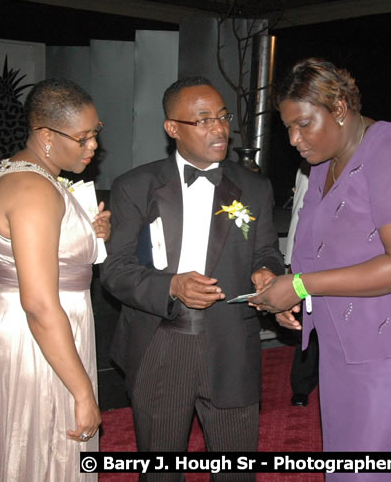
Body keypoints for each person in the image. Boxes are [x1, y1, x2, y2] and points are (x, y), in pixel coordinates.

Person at [252, 58, 391, 480]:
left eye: (303, 124)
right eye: (288, 128)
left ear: (339, 108)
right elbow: (320, 245)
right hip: (346, 344)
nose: (294, 139)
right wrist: (287, 290)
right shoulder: (321, 163)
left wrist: (299, 285)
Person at [101, 76, 284, 480]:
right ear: (172, 128)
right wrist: (171, 286)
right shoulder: (135, 186)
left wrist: (266, 270)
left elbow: (268, 250)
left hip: (231, 340)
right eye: (203, 120)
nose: (219, 129)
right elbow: (115, 271)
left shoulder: (253, 187)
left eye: (223, 117)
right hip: (159, 344)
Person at [0, 78, 110, 481]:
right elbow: (40, 304)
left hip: (40, 325)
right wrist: (83, 393)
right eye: (83, 138)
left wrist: (90, 236)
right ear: (46, 135)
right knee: (46, 447)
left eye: (95, 134)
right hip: (39, 336)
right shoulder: (33, 189)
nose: (93, 146)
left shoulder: (31, 176)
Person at [285, 161, 319, 407]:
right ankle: (302, 386)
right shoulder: (304, 167)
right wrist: (290, 259)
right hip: (304, 257)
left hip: (344, 258)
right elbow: (297, 215)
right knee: (307, 324)